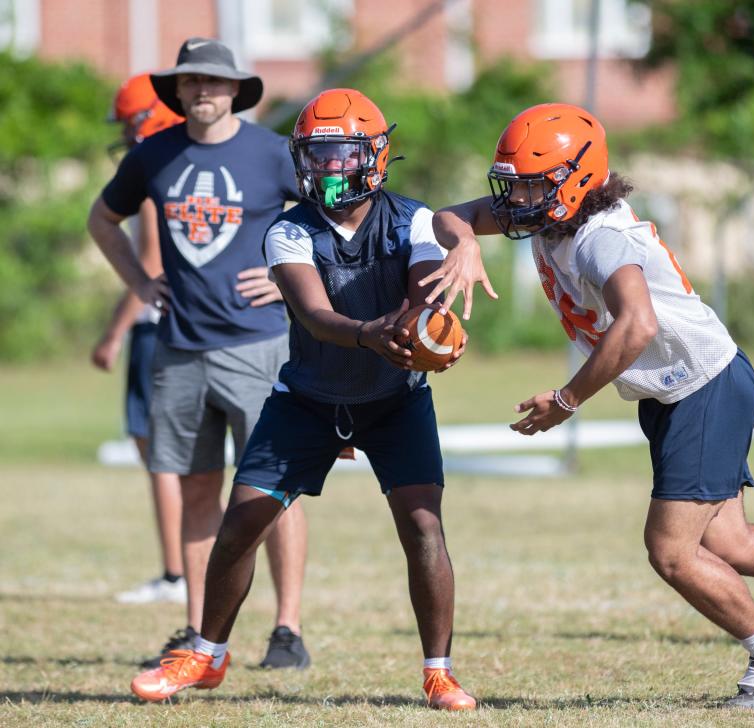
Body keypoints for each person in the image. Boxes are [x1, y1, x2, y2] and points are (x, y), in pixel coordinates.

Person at [422, 102, 754, 708]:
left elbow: (636, 325)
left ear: (577, 180)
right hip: (676, 389)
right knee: (732, 545)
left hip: (702, 384)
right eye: (512, 186)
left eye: (533, 185)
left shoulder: (600, 238)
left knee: (671, 551)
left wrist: (567, 399)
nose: (516, 202)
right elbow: (446, 218)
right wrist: (464, 246)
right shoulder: (553, 218)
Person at [127, 88, 477, 711]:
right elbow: (315, 316)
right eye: (315, 154)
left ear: (374, 155)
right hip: (309, 398)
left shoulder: (413, 220)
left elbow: (430, 274)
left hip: (395, 399)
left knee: (424, 528)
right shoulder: (288, 229)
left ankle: (439, 672)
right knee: (239, 527)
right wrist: (376, 332)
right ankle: (206, 656)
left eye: (341, 152)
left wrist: (426, 319)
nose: (327, 167)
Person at [87, 38, 311, 670]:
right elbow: (102, 219)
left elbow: (338, 216)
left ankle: (287, 631)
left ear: (236, 89)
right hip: (181, 349)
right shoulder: (154, 154)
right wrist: (137, 282)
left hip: (261, 346)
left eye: (215, 81)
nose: (203, 91)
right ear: (178, 92)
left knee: (278, 491)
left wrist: (288, 278)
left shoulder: (272, 154)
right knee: (196, 491)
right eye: (191, 82)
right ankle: (197, 632)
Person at [92, 73, 187, 605]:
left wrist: (112, 334)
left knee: (162, 455)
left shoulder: (158, 171)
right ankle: (178, 571)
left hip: (158, 325)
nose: (126, 135)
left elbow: (149, 265)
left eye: (130, 123)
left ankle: (176, 573)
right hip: (181, 323)